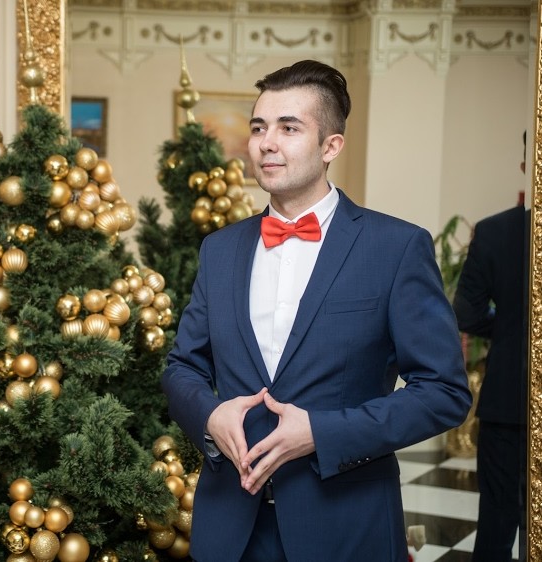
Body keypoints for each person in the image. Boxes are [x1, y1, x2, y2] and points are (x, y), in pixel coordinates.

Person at [161, 59, 472, 561]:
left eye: (289, 128)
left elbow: (443, 392)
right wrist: (210, 415)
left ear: (331, 146)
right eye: (258, 127)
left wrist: (322, 434)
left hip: (345, 526)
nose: (266, 143)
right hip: (232, 527)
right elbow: (182, 367)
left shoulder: (395, 248)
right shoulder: (219, 250)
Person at [453, 132, 528, 562]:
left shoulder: (496, 232)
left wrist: (513, 330)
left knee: (498, 521)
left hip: (508, 397)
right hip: (507, 403)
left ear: (526, 166)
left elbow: (466, 313)